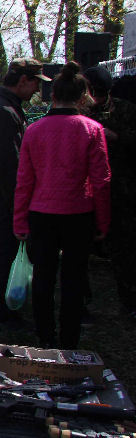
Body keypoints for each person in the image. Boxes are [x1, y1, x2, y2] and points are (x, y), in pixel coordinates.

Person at [13, 61, 111, 349]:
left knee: (43, 276)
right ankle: (69, 342)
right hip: (79, 213)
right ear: (83, 97)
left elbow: (24, 181)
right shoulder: (92, 129)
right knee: (74, 278)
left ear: (51, 95)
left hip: (41, 213)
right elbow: (102, 181)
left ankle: (45, 337)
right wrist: (103, 223)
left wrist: (20, 221)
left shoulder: (34, 130)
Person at [0, 57, 50, 332]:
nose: (35, 91)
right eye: (35, 84)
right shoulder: (4, 111)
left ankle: (4, 311)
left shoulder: (6, 106)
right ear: (23, 81)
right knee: (8, 255)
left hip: (6, 195)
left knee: (9, 253)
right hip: (8, 197)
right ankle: (0, 314)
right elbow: (7, 166)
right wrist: (18, 206)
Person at [84, 66, 136, 318]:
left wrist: (115, 136)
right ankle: (82, 302)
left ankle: (129, 301)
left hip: (120, 189)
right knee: (81, 246)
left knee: (124, 246)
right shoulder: (81, 112)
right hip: (86, 189)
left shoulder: (125, 109)